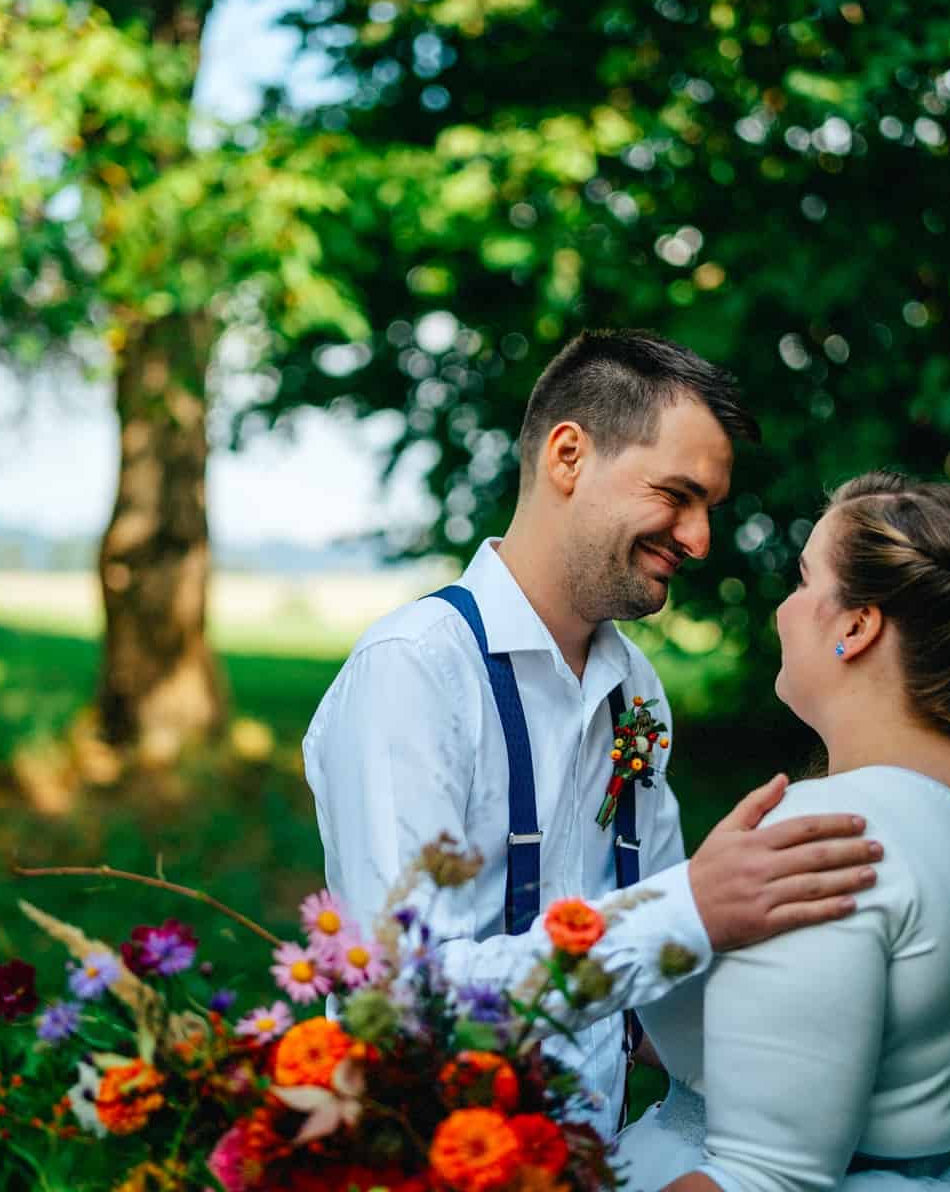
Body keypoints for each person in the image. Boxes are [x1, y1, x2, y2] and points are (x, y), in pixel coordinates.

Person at [302, 330, 885, 1129]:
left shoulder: (635, 693)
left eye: (708, 509)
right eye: (676, 495)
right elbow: (404, 1000)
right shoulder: (416, 672)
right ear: (568, 456)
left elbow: (658, 973)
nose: (699, 540)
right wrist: (687, 909)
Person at [616, 471, 950, 1191]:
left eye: (804, 582)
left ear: (858, 626)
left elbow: (762, 1179)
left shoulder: (826, 835)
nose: (784, 611)